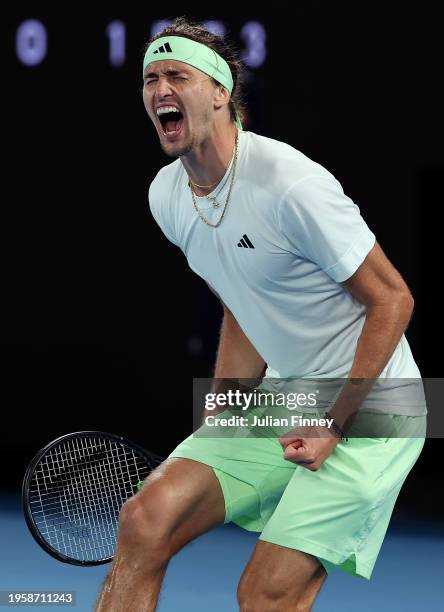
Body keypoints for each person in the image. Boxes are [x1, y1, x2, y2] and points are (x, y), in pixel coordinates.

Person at [95, 17, 427, 612]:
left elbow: (393, 298)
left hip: (378, 405)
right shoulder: (166, 197)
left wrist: (333, 424)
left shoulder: (290, 184)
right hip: (286, 396)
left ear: (221, 92)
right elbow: (242, 294)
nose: (159, 90)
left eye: (177, 75)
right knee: (145, 520)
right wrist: (224, 405)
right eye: (150, 78)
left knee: (265, 594)